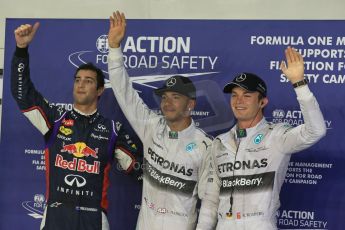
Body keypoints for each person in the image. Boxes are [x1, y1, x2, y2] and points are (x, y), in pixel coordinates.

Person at [11, 22, 138, 230]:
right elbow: (22, 94)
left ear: (99, 90)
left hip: (94, 219)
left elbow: (136, 166)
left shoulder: (113, 129)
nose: (81, 84)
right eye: (78, 79)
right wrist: (21, 50)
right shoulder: (55, 119)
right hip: (55, 216)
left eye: (88, 81)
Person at [196, 47, 327, 230]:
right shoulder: (220, 142)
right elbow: (210, 201)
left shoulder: (277, 136)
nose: (238, 101)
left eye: (247, 96)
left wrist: (299, 83)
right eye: (234, 95)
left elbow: (316, 130)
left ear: (262, 102)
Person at [106, 11, 213, 230]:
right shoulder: (151, 127)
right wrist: (115, 48)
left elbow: (210, 203)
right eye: (164, 97)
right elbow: (123, 91)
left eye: (175, 97)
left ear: (190, 104)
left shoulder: (206, 146)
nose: (167, 103)